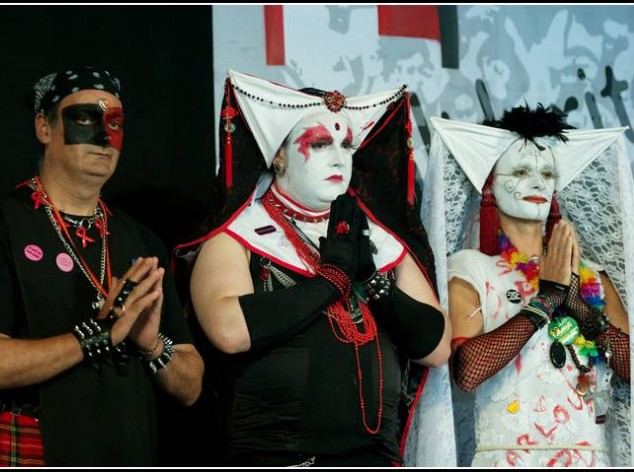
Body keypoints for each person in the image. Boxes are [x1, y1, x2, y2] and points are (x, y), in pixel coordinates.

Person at [174, 70, 452, 466]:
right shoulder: (236, 236)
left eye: (347, 145)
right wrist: (332, 280)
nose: (340, 157)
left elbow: (437, 348)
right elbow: (229, 330)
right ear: (278, 156)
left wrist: (372, 279)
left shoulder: (383, 241)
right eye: (321, 144)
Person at [0, 66, 204, 467]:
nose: (105, 138)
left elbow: (191, 385)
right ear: (44, 127)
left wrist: (152, 345)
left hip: (123, 444)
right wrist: (99, 335)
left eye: (115, 124)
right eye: (85, 119)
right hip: (32, 445)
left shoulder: (143, 242)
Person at [426, 105, 633, 466]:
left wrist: (577, 305)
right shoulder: (471, 269)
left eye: (547, 172)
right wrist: (547, 300)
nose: (538, 182)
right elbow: (467, 371)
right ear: (490, 181)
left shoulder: (592, 277)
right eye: (521, 171)